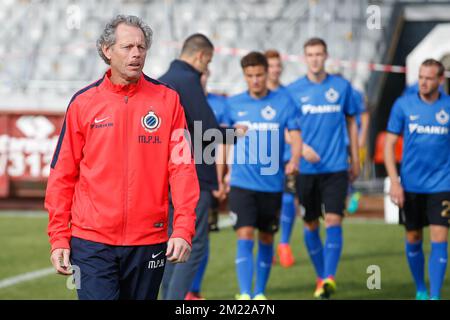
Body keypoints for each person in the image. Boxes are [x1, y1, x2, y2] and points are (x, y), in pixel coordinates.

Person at [45, 15, 199, 300]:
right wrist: (58, 236)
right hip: (92, 241)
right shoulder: (83, 102)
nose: (136, 54)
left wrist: (183, 227)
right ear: (107, 50)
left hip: (149, 238)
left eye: (141, 47)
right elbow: (62, 174)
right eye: (128, 47)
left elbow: (182, 168)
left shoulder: (168, 100)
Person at [223, 52, 302, 300]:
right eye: (250, 76)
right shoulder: (233, 104)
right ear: (244, 76)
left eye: (259, 75)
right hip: (241, 182)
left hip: (271, 183)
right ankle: (245, 293)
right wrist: (223, 172)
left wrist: (295, 159)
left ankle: (260, 293)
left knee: (266, 237)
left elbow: (296, 134)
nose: (255, 80)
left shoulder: (284, 102)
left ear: (267, 73)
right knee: (245, 234)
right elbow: (223, 140)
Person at [286, 38, 359, 299]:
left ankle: (329, 277)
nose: (315, 59)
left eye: (319, 54)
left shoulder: (341, 87)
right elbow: (284, 129)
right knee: (310, 225)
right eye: (310, 54)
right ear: (304, 57)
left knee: (333, 220)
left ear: (326, 56)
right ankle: (321, 277)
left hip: (336, 168)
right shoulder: (293, 90)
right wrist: (301, 149)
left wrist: (356, 158)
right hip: (306, 170)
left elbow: (352, 122)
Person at [159, 33, 227, 300]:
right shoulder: (188, 80)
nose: (206, 68)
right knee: (191, 244)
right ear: (200, 56)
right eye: (207, 61)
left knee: (169, 243)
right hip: (193, 176)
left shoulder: (162, 80)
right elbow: (209, 132)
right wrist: (239, 133)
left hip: (166, 176)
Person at [385, 59, 450, 300]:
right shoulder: (403, 105)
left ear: (440, 80)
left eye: (429, 78)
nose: (423, 82)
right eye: (421, 77)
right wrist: (394, 181)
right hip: (410, 185)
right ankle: (420, 288)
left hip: (442, 185)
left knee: (439, 238)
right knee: (413, 237)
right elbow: (390, 144)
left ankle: (434, 296)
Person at [185, 69, 228, 300]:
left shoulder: (219, 104)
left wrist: (219, 179)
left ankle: (194, 289)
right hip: (179, 180)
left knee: (202, 235)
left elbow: (223, 142)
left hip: (205, 181)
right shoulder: (177, 98)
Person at [264, 49, 297, 268]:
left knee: (288, 199)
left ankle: (284, 244)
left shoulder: (288, 95)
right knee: (267, 205)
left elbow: (295, 128)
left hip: (285, 159)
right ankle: (270, 245)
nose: (275, 70)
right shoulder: (256, 95)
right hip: (264, 159)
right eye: (271, 66)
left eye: (278, 66)